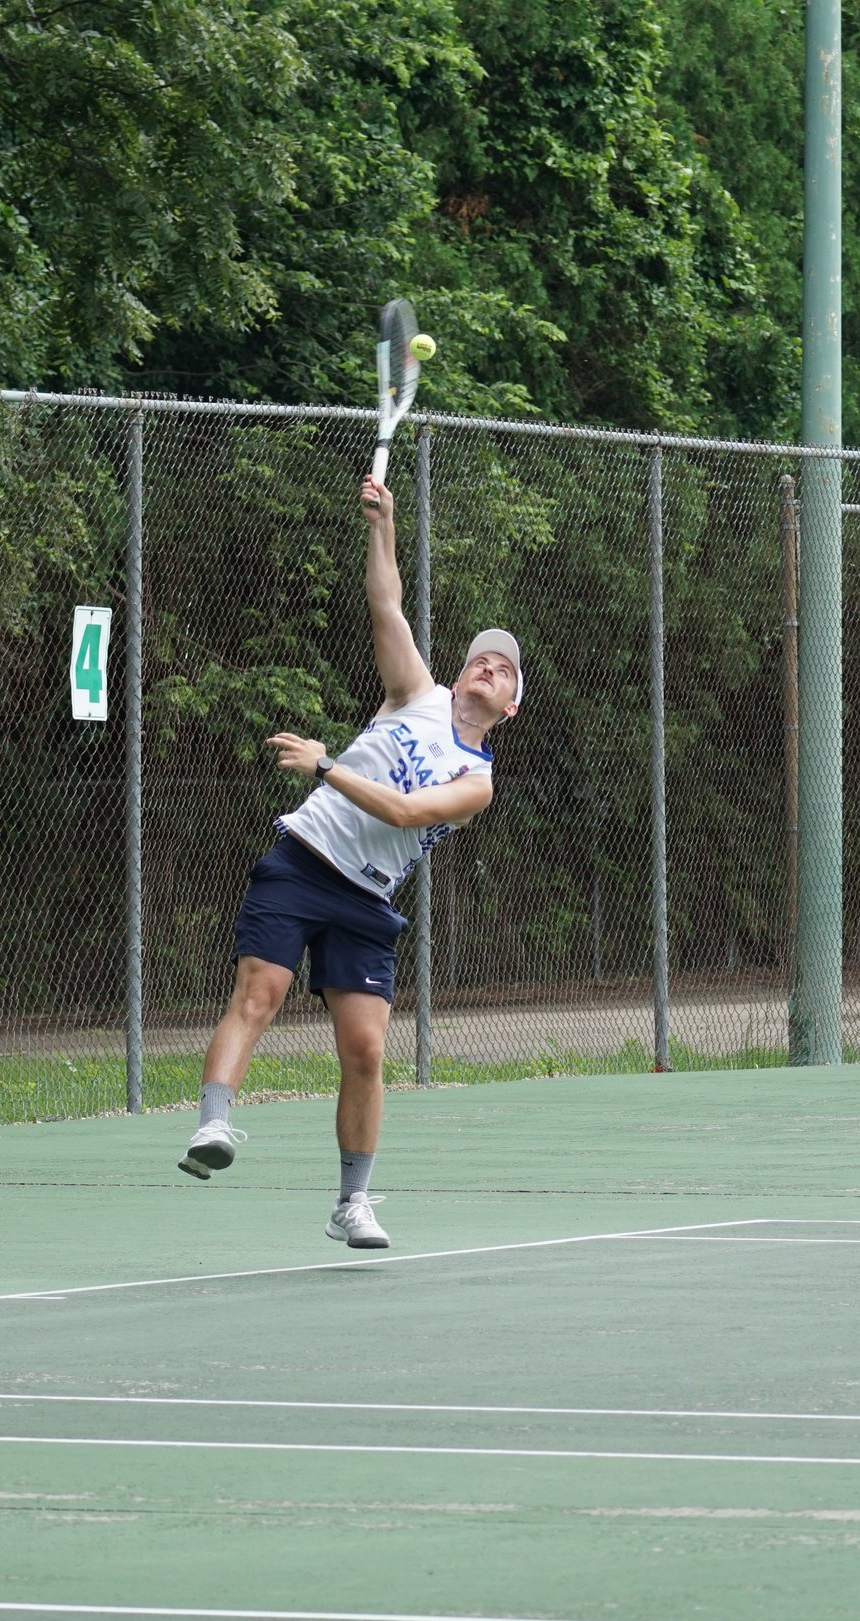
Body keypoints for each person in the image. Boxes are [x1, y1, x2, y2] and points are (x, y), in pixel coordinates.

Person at [175, 476, 522, 1250]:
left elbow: (402, 813)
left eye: (503, 669)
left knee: (366, 1051)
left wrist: (326, 764)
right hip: (303, 862)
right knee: (259, 992)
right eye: (481, 659)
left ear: (510, 707)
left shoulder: (477, 782)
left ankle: (351, 1202)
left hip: (365, 901)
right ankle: (212, 1126)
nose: (488, 667)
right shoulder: (415, 693)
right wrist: (382, 524)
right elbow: (386, 601)